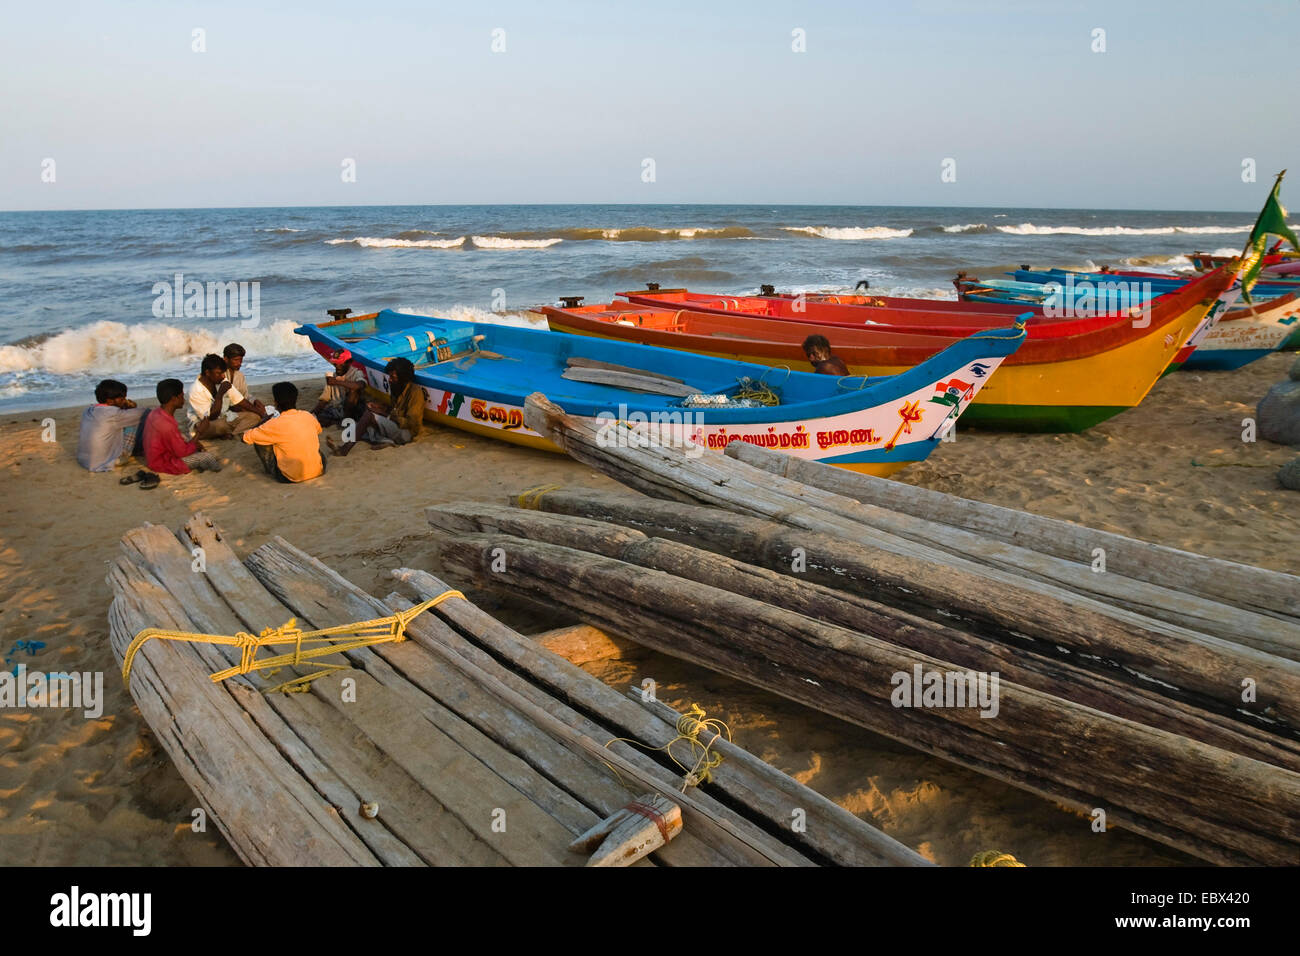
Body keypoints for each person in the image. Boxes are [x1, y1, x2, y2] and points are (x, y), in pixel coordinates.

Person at [328, 357, 423, 456]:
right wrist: (380, 408)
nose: (389, 380)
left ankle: (344, 449)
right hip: (394, 424)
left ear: (403, 378)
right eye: (389, 376)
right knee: (360, 427)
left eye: (393, 377)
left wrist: (385, 414)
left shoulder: (415, 392)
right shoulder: (396, 386)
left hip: (406, 433)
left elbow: (412, 423)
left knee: (368, 417)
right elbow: (394, 409)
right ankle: (386, 441)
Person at [241, 382, 325, 482]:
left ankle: (269, 469)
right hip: (318, 470)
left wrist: (262, 422)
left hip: (289, 477)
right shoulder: (308, 415)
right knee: (306, 438)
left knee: (259, 438)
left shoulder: (274, 424)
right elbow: (318, 430)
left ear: (275, 402)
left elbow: (244, 438)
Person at [142, 379, 223, 474]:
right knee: (207, 457)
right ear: (174, 399)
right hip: (163, 463)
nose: (184, 400)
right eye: (181, 396)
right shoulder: (166, 424)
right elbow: (182, 452)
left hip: (156, 457)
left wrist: (193, 443)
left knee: (187, 439)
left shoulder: (156, 412)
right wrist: (199, 432)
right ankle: (217, 470)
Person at [76, 379, 147, 472]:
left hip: (84, 460)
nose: (124, 401)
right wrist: (132, 407)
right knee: (135, 422)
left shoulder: (88, 410)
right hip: (106, 462)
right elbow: (144, 413)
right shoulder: (114, 414)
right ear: (109, 401)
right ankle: (141, 450)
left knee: (125, 420)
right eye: (122, 399)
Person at [187, 353, 262, 440]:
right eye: (219, 373)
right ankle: (233, 432)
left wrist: (261, 413)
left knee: (254, 417)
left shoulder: (220, 379)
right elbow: (211, 417)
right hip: (203, 425)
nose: (223, 376)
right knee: (220, 425)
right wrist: (220, 394)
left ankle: (233, 434)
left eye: (223, 373)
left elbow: (240, 400)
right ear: (207, 373)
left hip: (224, 418)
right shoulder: (195, 390)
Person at [311, 348, 366, 426]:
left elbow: (360, 385)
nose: (337, 366)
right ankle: (339, 422)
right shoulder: (333, 376)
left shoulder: (356, 373)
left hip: (353, 410)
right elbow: (324, 400)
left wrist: (337, 382)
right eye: (335, 363)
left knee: (354, 390)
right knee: (316, 418)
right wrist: (311, 415)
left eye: (340, 363)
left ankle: (346, 420)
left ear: (349, 363)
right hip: (337, 410)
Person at [222, 343, 267, 417]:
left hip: (239, 408)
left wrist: (255, 401)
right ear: (226, 359)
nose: (239, 363)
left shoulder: (240, 375)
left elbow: (245, 395)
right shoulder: (220, 375)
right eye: (236, 360)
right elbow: (228, 401)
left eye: (241, 360)